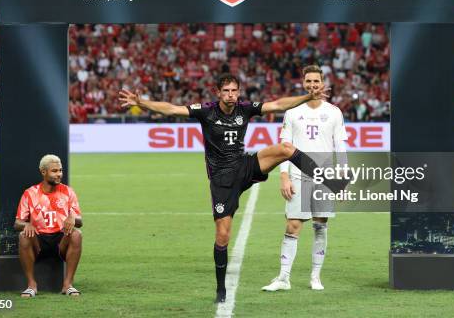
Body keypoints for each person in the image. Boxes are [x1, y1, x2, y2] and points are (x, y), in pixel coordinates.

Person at [119, 73, 327, 303]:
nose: (230, 95)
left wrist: (308, 96)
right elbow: (172, 109)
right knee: (223, 235)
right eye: (226, 91)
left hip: (244, 166)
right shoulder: (206, 111)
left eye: (234, 90)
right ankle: (221, 290)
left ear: (239, 92)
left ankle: (327, 179)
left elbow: (277, 104)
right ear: (218, 92)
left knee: (286, 148)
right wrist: (142, 103)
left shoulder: (245, 109)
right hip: (221, 181)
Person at [262, 65, 348, 292]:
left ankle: (315, 276)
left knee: (320, 226)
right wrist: (283, 176)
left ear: (322, 83)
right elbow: (284, 147)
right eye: (308, 81)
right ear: (303, 83)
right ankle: (283, 278)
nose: (312, 85)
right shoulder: (292, 112)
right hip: (298, 175)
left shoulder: (334, 112)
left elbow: (340, 144)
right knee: (293, 225)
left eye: (316, 81)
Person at [14, 154, 83, 298]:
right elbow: (17, 223)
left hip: (60, 241)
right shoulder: (30, 193)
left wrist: (72, 218)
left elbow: (79, 221)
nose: (59, 174)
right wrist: (26, 224)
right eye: (54, 171)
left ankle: (68, 285)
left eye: (60, 170)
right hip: (38, 241)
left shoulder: (68, 192)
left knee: (77, 234)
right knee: (23, 236)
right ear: (43, 172)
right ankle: (31, 285)